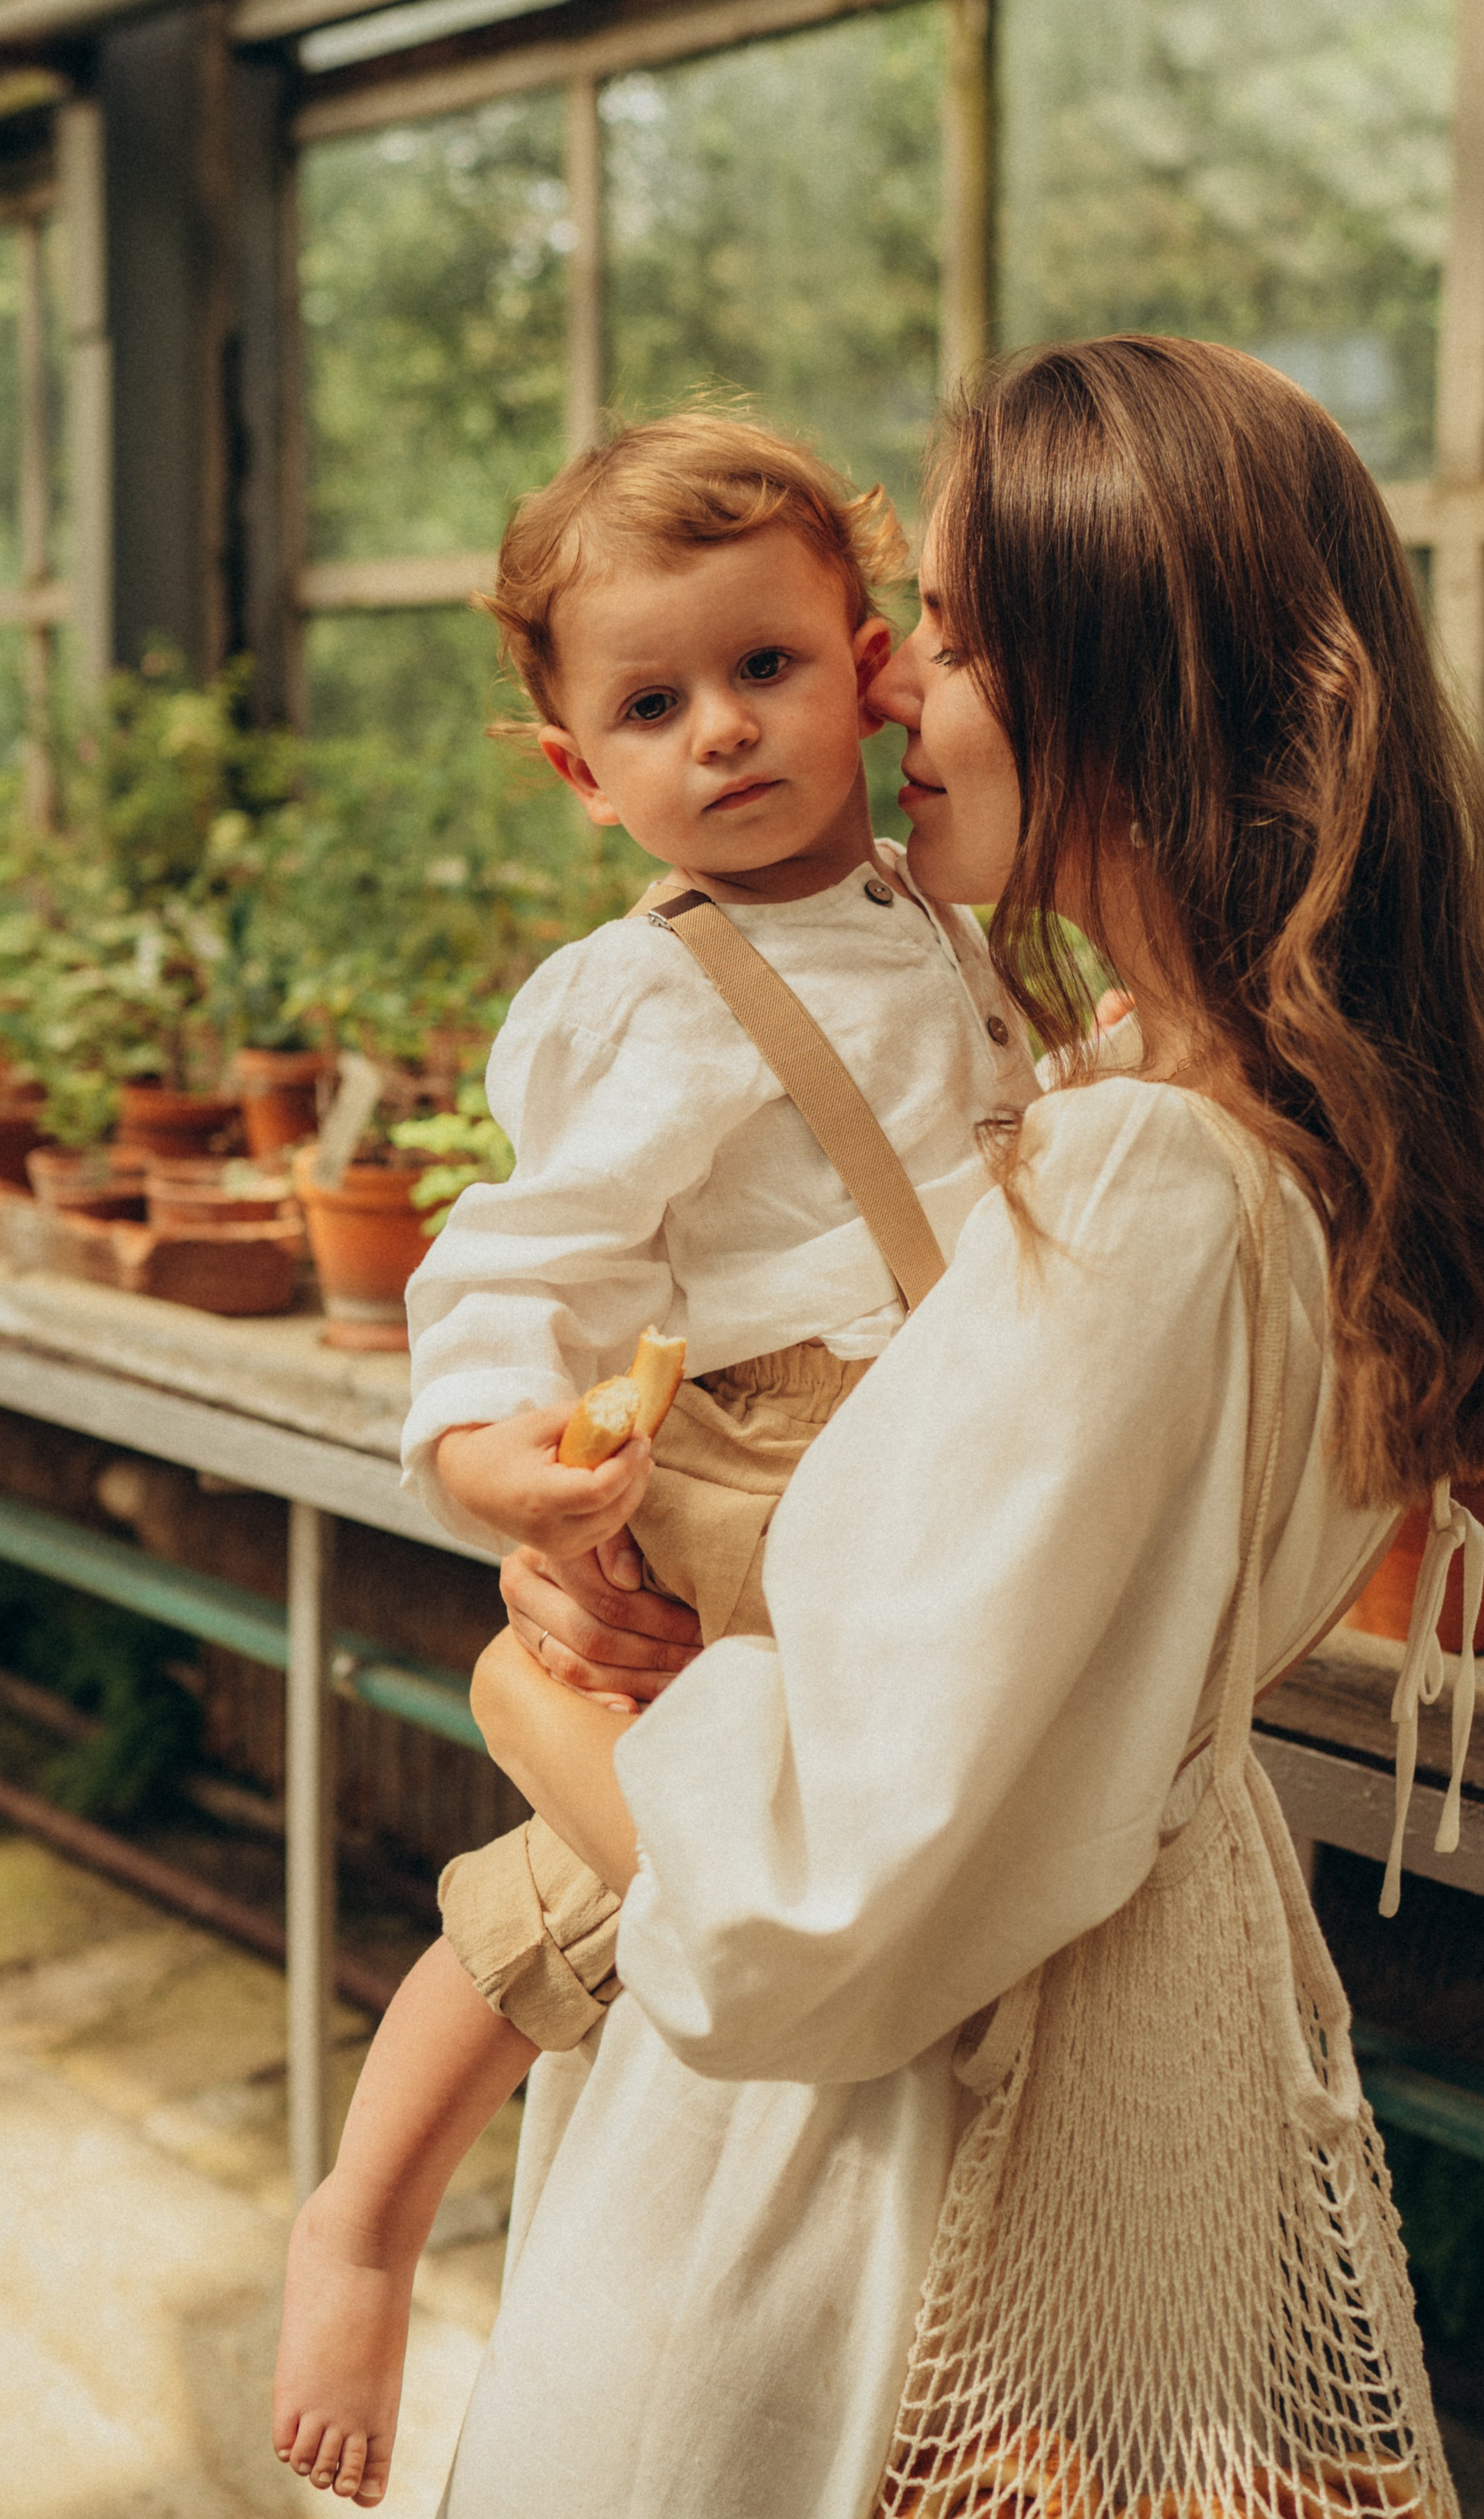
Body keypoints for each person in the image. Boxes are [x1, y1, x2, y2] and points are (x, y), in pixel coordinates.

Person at [336, 331, 1484, 2515]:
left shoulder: (1141, 1186)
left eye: (969, 644)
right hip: (1116, 2040)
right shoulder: (1283, 1139)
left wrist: (532, 1708)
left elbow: (814, 1898)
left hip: (862, 2169)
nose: (897, 690)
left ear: (1131, 692)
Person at [270, 413, 1039, 2504]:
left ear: (875, 670)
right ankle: (362, 2211)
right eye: (651, 704)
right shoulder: (647, 996)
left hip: (942, 1449)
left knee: (830, 1869)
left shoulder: (942, 910)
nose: (721, 732)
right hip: (775, 1463)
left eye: (770, 669)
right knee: (624, 1866)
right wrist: (489, 1452)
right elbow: (520, 1252)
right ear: (574, 770)